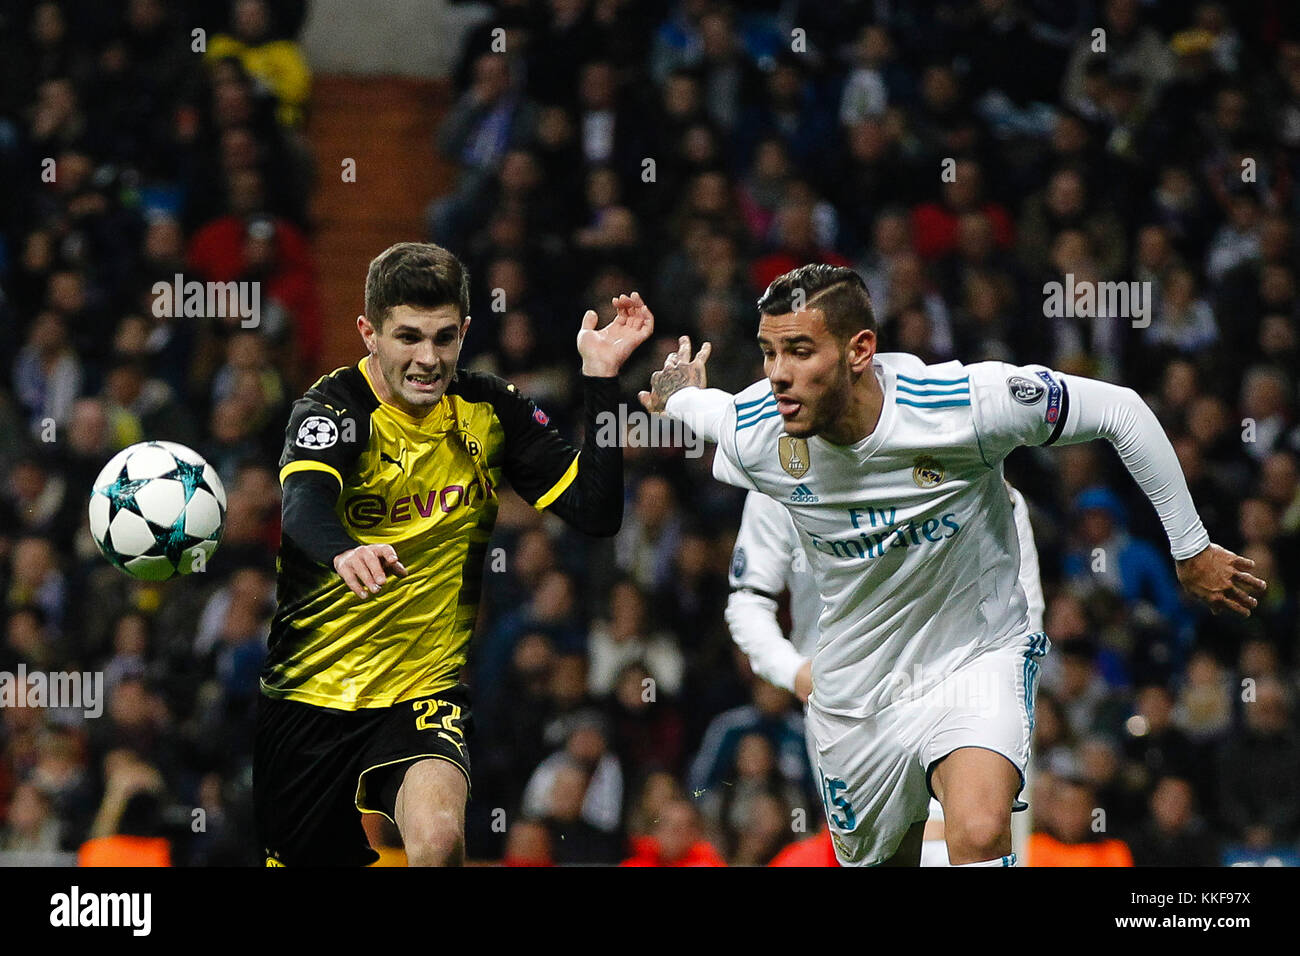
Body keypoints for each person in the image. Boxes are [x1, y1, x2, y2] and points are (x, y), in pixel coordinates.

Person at [639, 262, 1265, 867]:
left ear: (860, 350)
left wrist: (1192, 548)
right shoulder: (759, 432)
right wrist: (675, 393)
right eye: (769, 353)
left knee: (979, 830)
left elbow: (1120, 411)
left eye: (800, 351)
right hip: (857, 690)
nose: (777, 375)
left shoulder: (963, 404)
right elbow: (700, 408)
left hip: (975, 653)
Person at [254, 242, 652, 866]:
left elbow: (597, 511)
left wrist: (602, 381)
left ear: (466, 330)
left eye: (444, 337)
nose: (427, 359)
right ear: (369, 333)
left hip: (422, 691)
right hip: (311, 698)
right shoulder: (331, 410)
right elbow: (303, 505)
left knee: (439, 843)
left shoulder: (490, 408)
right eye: (407, 337)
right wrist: (343, 553)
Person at [725, 480, 1045, 866]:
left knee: (972, 837)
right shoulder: (777, 472)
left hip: (961, 683)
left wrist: (1009, 679)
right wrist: (793, 671)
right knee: (885, 858)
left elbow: (1023, 600)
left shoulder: (961, 451)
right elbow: (749, 600)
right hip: (848, 704)